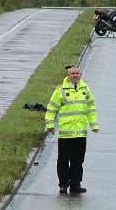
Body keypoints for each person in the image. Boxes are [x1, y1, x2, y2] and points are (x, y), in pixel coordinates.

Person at [45, 65, 99, 194]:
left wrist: (94, 124)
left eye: (77, 73)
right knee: (63, 161)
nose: (75, 75)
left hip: (80, 133)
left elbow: (91, 108)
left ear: (80, 75)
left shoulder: (85, 89)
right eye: (73, 73)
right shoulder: (61, 90)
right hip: (65, 134)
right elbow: (52, 108)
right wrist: (50, 124)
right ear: (68, 75)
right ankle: (63, 184)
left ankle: (75, 184)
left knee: (78, 160)